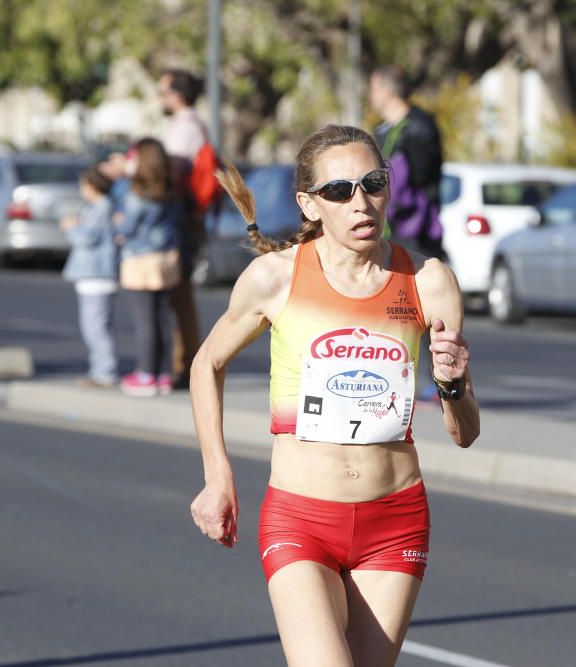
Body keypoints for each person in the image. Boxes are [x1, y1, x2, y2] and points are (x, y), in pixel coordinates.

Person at [189, 124, 479, 666]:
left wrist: (453, 383)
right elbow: (207, 362)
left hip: (395, 519)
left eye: (373, 183)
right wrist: (217, 475)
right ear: (309, 203)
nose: (361, 202)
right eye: (340, 191)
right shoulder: (274, 279)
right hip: (301, 519)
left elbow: (464, 433)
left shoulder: (429, 280)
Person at [116, 138, 186, 397]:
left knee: (145, 320)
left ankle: (146, 374)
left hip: (140, 259)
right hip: (167, 258)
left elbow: (127, 228)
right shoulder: (172, 189)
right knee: (163, 319)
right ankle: (163, 374)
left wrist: (118, 224)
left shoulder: (137, 193)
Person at [157, 68, 211, 390]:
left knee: (180, 294)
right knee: (177, 294)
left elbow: (171, 170)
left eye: (162, 92)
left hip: (183, 220)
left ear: (177, 95)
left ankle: (187, 363)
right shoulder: (183, 125)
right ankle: (185, 361)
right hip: (183, 219)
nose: (158, 99)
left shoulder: (186, 127)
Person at [369, 65, 445, 261]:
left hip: (417, 231)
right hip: (388, 229)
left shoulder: (420, 127)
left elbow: (422, 178)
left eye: (373, 89)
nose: (370, 96)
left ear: (387, 92)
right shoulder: (382, 130)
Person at [61, 167, 119, 389]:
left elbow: (87, 238)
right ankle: (100, 369)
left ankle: (105, 372)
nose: (81, 190)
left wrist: (71, 228)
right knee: (94, 326)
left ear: (93, 185)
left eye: (83, 185)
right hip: (92, 275)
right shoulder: (95, 208)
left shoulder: (102, 208)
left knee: (96, 327)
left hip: (97, 275)